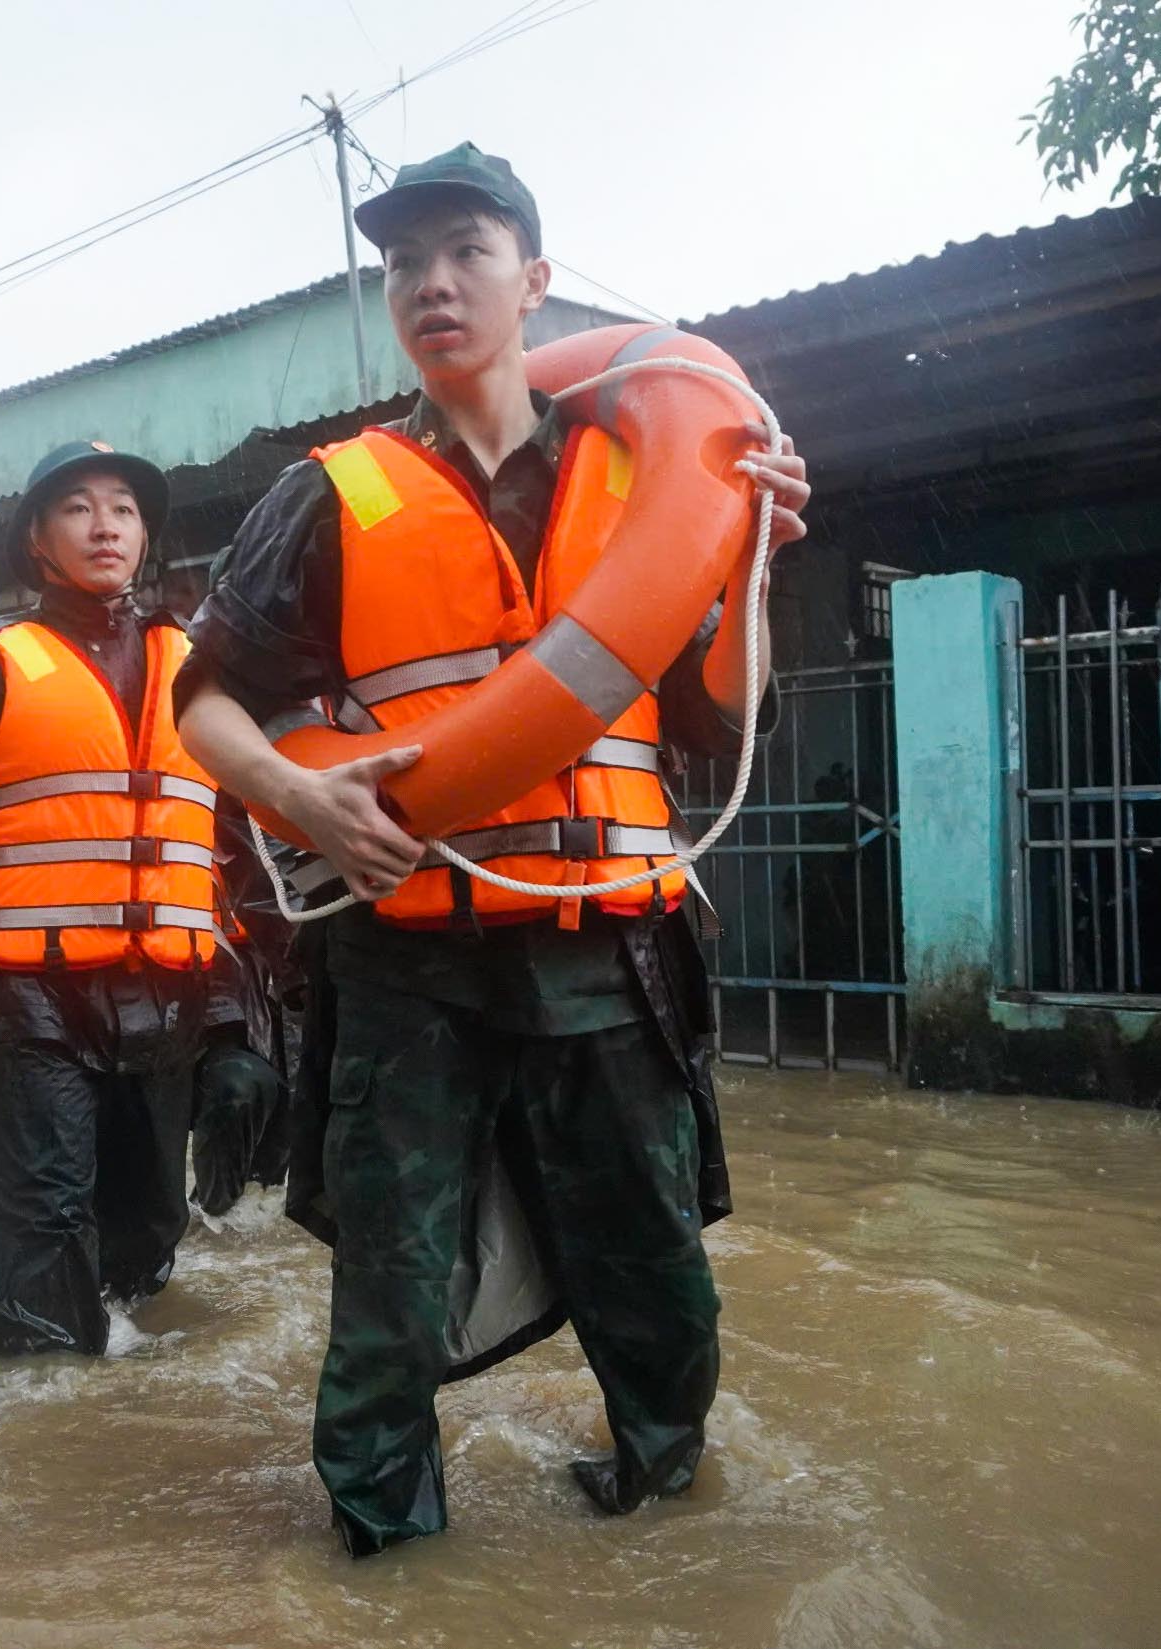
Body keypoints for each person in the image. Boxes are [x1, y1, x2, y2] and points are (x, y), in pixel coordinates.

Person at [174, 144, 812, 1555]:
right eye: (403, 265)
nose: (432, 284)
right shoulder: (329, 493)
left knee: (654, 1271)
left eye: (465, 251)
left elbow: (714, 718)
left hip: (613, 944)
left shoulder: (653, 473)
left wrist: (752, 550)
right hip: (413, 954)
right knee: (391, 1286)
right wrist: (295, 790)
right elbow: (202, 702)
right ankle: (388, 1550)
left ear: (535, 279)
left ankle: (659, 1499)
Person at [0, 441, 273, 1354]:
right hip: (38, 1007)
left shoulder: (203, 669)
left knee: (144, 1238)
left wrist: (242, 1025)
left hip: (172, 1000)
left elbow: (237, 862)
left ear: (145, 536)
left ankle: (120, 1438)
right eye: (78, 508)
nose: (105, 526)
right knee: (43, 1243)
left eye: (124, 509)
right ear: (36, 541)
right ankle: (42, 1414)